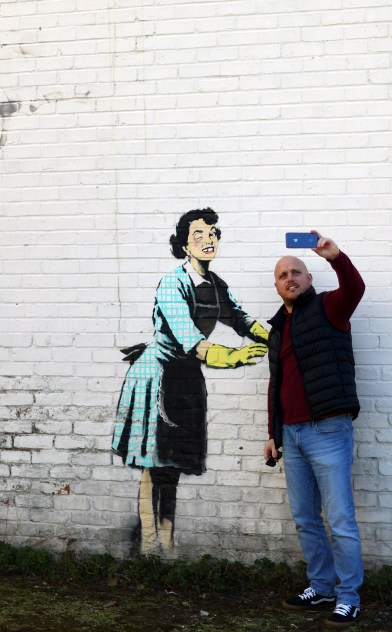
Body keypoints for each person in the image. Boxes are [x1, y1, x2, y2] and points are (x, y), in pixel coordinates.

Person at [112, 208, 269, 555]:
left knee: (175, 465)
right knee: (154, 465)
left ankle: (166, 545)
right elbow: (193, 342)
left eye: (212, 233)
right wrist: (238, 356)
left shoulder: (215, 286)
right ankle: (151, 545)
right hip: (159, 378)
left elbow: (240, 318)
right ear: (184, 245)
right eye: (198, 235)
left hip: (186, 381)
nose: (208, 240)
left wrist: (271, 336)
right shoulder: (173, 284)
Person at [264, 232, 366, 629]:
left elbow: (355, 288)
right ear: (277, 286)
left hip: (328, 429)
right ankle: (321, 586)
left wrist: (335, 256)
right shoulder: (278, 328)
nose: (289, 278)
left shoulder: (329, 308)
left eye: (296, 272)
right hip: (292, 434)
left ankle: (349, 596)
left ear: (308, 279)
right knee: (306, 518)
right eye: (282, 275)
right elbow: (277, 384)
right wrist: (273, 433)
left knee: (340, 520)